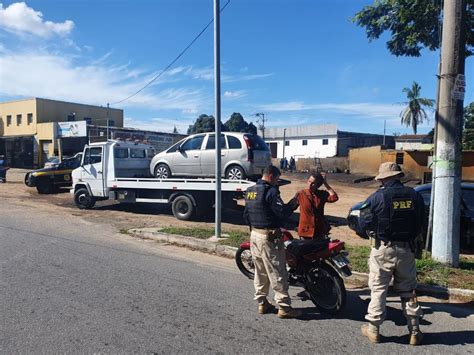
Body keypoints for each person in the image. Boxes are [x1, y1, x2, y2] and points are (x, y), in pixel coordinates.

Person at [359, 162, 425, 346]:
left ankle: (373, 330)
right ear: (398, 176)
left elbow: (363, 221)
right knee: (408, 290)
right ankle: (414, 330)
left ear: (384, 178)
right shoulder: (415, 195)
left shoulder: (377, 197)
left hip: (383, 249)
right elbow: (422, 220)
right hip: (407, 250)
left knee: (379, 289)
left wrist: (368, 232)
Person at [243, 165, 301, 319]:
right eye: (276, 179)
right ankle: (284, 307)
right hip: (269, 237)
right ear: (271, 176)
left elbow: (246, 215)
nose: (277, 182)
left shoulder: (250, 191)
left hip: (254, 235)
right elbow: (282, 213)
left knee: (260, 271)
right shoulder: (271, 191)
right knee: (277, 271)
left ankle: (262, 303)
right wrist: (294, 203)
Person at [293, 171, 338, 240]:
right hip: (305, 232)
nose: (310, 184)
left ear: (318, 185)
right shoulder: (301, 194)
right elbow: (290, 207)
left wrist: (325, 183)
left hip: (319, 232)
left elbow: (334, 197)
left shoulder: (322, 194)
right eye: (309, 181)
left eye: (313, 183)